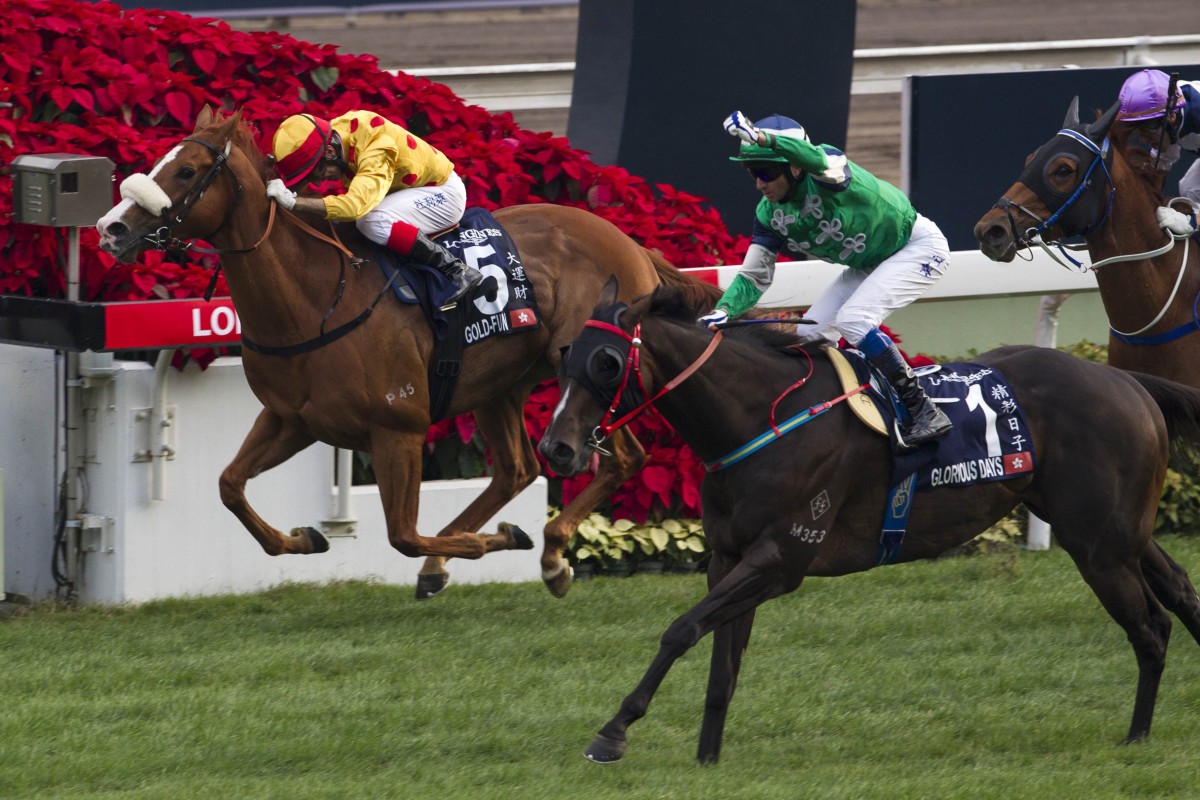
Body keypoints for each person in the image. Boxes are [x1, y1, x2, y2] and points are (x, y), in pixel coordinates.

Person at [697, 112, 952, 447]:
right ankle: (840, 410)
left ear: (795, 167)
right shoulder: (768, 214)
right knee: (808, 334)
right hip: (869, 264)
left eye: (766, 172)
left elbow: (818, 160)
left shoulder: (827, 167)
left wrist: (764, 139)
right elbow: (755, 276)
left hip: (916, 246)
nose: (759, 184)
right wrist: (724, 310)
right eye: (752, 173)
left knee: (854, 320)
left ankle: (923, 410)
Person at [266, 111, 483, 306]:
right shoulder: (333, 137)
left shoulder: (377, 147)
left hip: (443, 194)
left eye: (318, 173)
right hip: (407, 190)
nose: (320, 182)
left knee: (370, 220)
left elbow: (356, 206)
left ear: (331, 151)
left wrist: (295, 202)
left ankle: (456, 270)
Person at [1115, 68, 1200, 235]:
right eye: (1137, 130)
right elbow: (1159, 166)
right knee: (1190, 187)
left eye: (1146, 129)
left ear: (1172, 117)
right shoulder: (1171, 109)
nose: (1144, 140)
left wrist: (1193, 221)